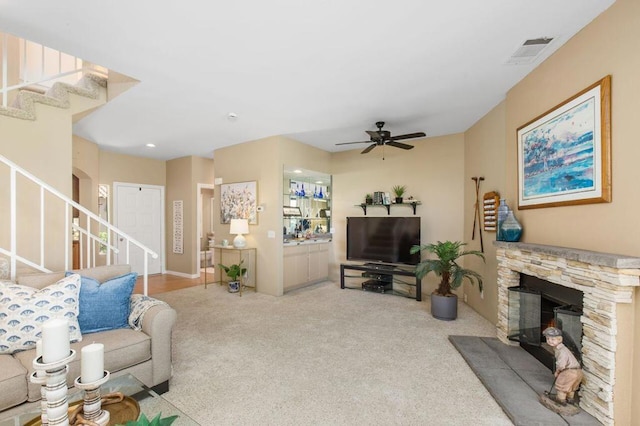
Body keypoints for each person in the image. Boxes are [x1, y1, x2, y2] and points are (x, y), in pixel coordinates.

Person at [542, 327, 583, 405]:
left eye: (553, 339)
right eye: (548, 339)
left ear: (559, 340)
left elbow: (561, 364)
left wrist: (557, 371)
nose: (550, 341)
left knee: (561, 387)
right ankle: (570, 399)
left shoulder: (561, 351)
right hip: (578, 372)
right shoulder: (563, 348)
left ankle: (561, 400)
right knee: (571, 387)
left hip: (569, 372)